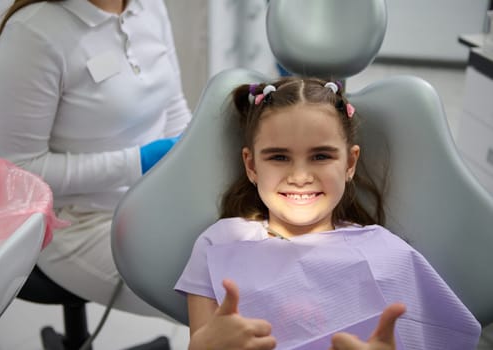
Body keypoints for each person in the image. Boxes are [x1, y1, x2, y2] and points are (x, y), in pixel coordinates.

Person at [175, 77, 481, 349]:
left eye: (320, 156)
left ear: (349, 163)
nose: (300, 175)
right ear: (252, 165)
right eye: (279, 157)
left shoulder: (388, 257)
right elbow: (201, 340)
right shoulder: (218, 247)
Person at [0, 0, 191, 319]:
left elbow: (173, 105)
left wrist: (191, 162)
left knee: (265, 261)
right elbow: (19, 173)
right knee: (214, 299)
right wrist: (136, 162)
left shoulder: (149, 6)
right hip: (76, 222)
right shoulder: (33, 34)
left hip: (156, 198)